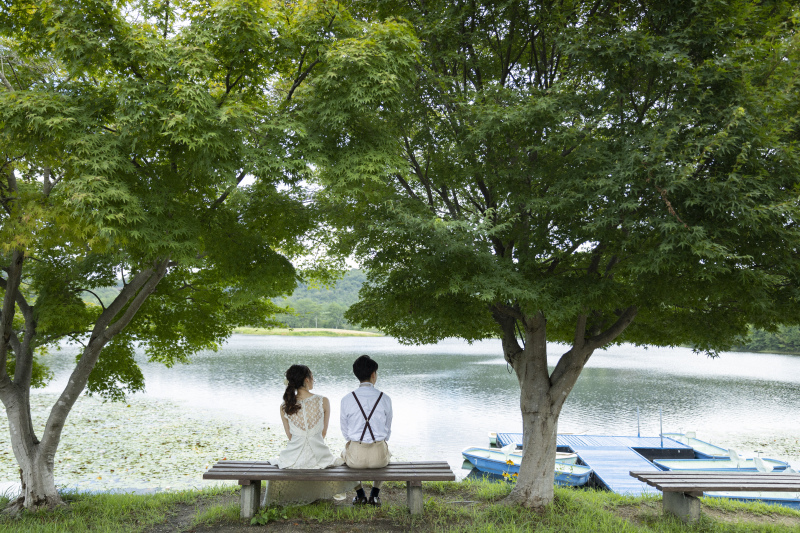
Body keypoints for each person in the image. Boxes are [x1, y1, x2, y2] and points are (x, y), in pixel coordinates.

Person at [264, 365, 354, 505]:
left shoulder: (284, 406)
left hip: (293, 459)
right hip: (319, 458)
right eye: (312, 377)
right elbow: (323, 433)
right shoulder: (323, 401)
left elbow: (290, 437)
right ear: (307, 379)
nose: (313, 380)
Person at [340, 355, 393, 506]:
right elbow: (387, 431)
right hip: (379, 458)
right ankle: (375, 495)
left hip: (356, 459)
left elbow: (346, 433)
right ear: (373, 374)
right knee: (386, 449)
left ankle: (360, 494)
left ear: (357, 375)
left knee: (343, 453)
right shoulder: (385, 398)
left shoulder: (346, 399)